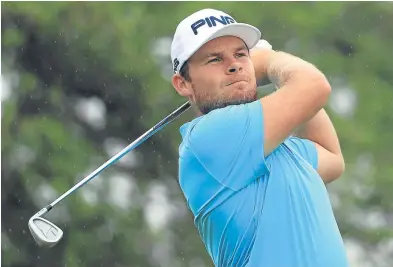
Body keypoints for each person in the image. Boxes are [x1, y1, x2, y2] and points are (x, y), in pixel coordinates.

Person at [170, 8, 349, 267]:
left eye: (241, 54)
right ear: (183, 84)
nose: (234, 64)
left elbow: (332, 159)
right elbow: (313, 87)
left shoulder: (277, 148)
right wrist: (268, 61)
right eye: (214, 59)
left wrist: (280, 80)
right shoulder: (209, 138)